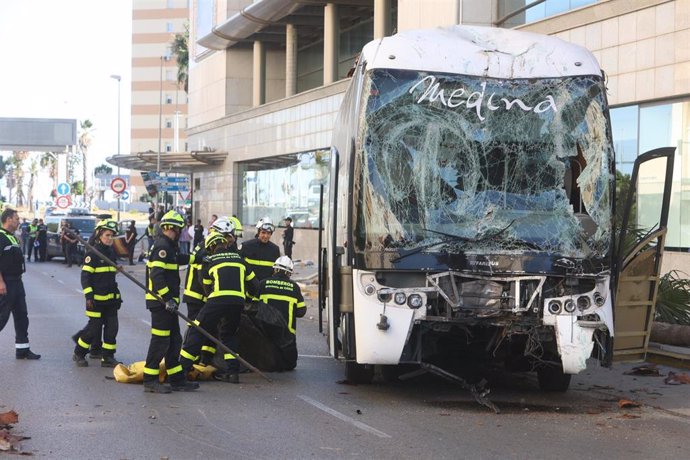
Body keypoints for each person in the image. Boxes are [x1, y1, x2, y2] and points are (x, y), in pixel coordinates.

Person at [179, 231, 259, 384]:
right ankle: (232, 372)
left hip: (218, 299)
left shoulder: (209, 261)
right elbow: (255, 285)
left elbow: (206, 288)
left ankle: (182, 369)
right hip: (237, 303)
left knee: (197, 329)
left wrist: (214, 302)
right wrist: (247, 298)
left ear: (211, 247)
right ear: (224, 243)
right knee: (229, 335)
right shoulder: (240, 260)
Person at [142, 210, 197, 393]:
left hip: (168, 304)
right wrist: (167, 299)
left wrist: (197, 258)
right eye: (180, 229)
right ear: (172, 228)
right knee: (160, 341)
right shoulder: (162, 247)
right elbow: (157, 276)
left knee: (174, 340)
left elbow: (177, 259)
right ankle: (150, 379)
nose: (181, 233)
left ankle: (177, 380)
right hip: (160, 303)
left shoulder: (168, 247)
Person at [182, 216, 235, 365]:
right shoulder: (208, 247)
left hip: (204, 297)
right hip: (197, 296)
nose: (230, 241)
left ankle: (204, 361)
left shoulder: (207, 245)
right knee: (196, 329)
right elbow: (203, 277)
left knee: (210, 329)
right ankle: (189, 362)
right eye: (228, 237)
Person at [72, 219, 122, 368]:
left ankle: (107, 357)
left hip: (111, 299)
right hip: (96, 301)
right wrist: (89, 297)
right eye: (107, 235)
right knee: (93, 329)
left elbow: (106, 274)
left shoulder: (110, 252)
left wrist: (116, 268)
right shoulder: (92, 254)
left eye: (112, 236)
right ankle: (79, 353)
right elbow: (85, 277)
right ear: (99, 234)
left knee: (112, 328)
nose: (110, 238)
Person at [0, 208, 41, 360]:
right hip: (7, 282)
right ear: (8, 219)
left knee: (22, 316)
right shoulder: (0, 236)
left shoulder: (11, 237)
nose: (19, 222)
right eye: (16, 219)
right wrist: (1, 282)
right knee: (1, 317)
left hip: (17, 281)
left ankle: (22, 349)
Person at [256, 256, 306, 370]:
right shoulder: (294, 287)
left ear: (275, 269)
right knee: (289, 365)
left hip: (265, 333)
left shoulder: (263, 284)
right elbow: (301, 311)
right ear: (289, 273)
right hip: (286, 335)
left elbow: (254, 306)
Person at [240, 217, 281, 282]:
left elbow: (276, 272)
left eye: (269, 233)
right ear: (258, 232)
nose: (266, 236)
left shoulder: (275, 250)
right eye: (263, 232)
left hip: (265, 288)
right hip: (249, 288)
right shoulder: (246, 246)